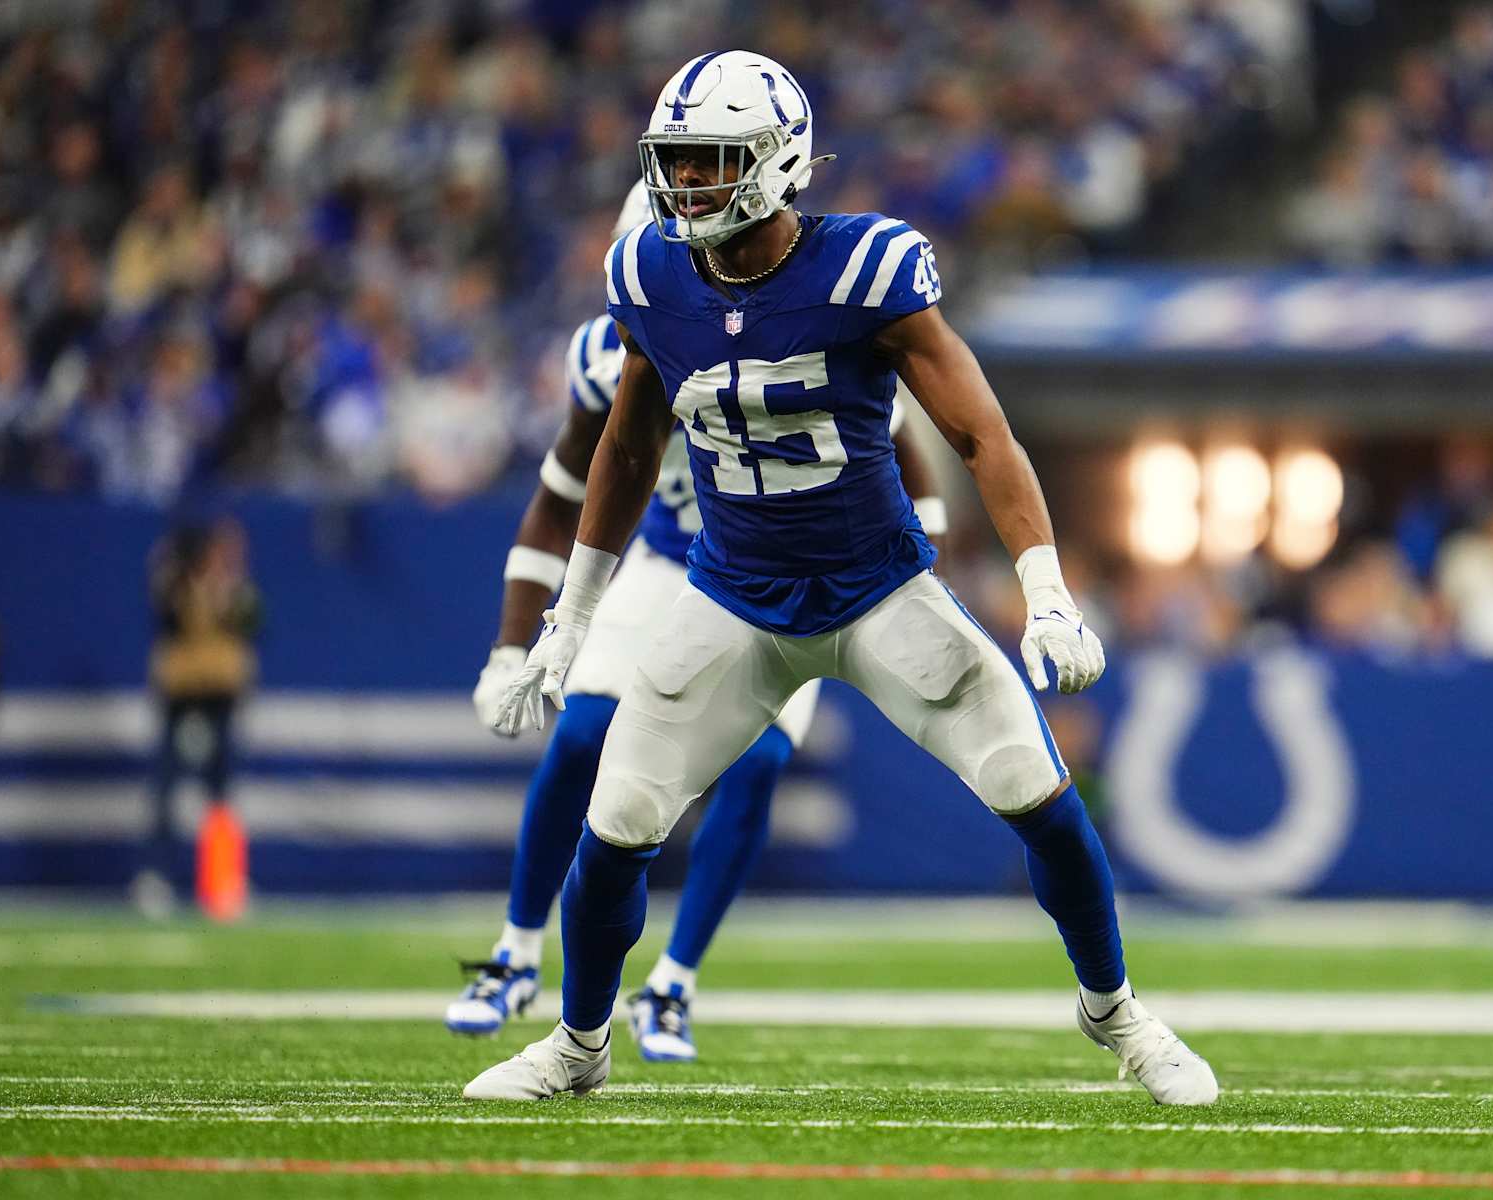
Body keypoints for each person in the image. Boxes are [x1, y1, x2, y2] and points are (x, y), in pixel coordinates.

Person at [465, 52, 1216, 1105]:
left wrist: (1046, 592)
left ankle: (1118, 1015)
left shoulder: (866, 269)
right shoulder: (650, 276)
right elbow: (625, 454)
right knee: (618, 822)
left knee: (1038, 795)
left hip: (878, 594)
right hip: (732, 599)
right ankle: (579, 1044)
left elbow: (981, 435)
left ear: (777, 162)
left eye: (712, 160)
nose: (688, 183)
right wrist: (572, 617)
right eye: (677, 162)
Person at [452, 182, 948, 1062]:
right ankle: (516, 951)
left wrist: (895, 586)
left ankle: (673, 982)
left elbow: (918, 481)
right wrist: (508, 646)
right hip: (664, 560)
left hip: (783, 571)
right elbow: (559, 501)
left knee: (756, 764)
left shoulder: (814, 325)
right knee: (582, 735)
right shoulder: (605, 355)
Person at [135, 516, 261, 920]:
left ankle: (223, 879)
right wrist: (172, 573)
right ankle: (157, 874)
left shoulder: (238, 590)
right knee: (166, 791)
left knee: (220, 796)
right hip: (182, 696)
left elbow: (254, 624)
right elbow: (165, 616)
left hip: (219, 697)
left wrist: (228, 593)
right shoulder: (178, 586)